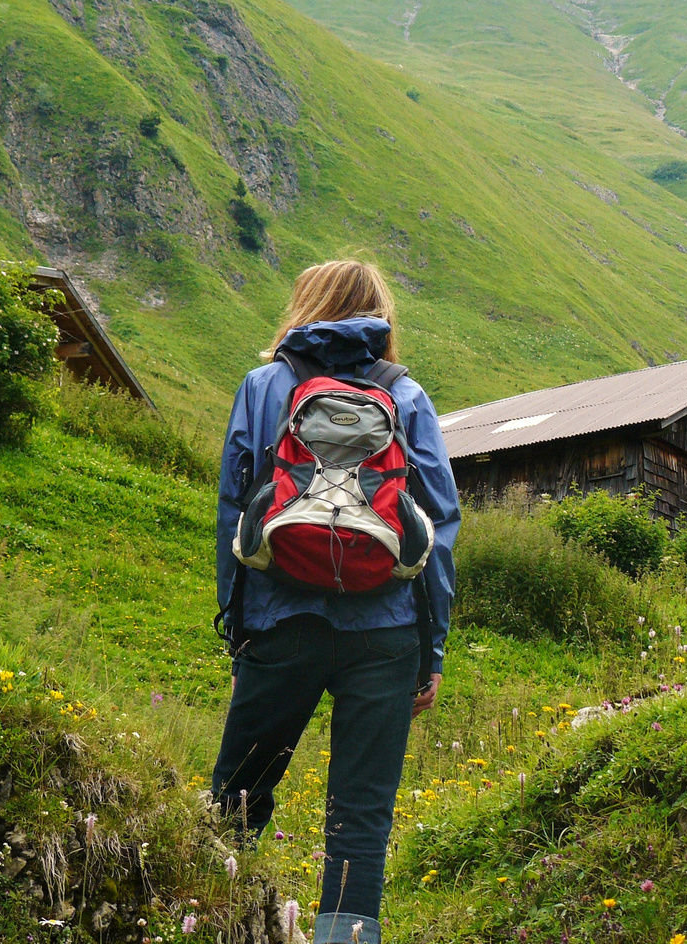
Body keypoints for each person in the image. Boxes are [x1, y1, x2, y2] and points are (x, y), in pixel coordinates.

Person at [212, 259, 460, 944]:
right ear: (380, 318)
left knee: (239, 793)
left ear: (304, 305)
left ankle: (207, 912)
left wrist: (238, 630)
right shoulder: (406, 396)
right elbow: (437, 530)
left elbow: (237, 511)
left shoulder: (263, 387)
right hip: (385, 632)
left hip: (279, 617)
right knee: (361, 813)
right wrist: (430, 648)